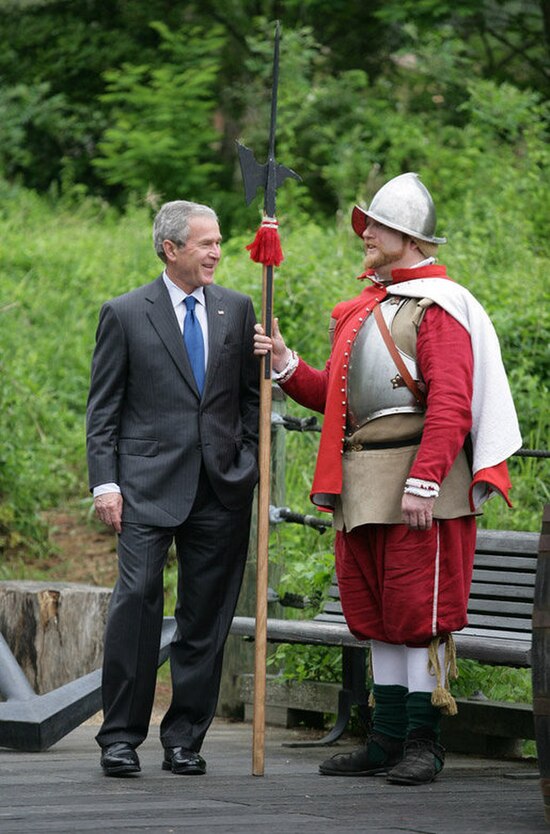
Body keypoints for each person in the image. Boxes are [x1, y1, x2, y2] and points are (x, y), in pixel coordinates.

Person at [254, 172, 521, 786]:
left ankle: (423, 743)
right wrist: (288, 366)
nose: (364, 236)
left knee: (416, 613)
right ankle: (387, 737)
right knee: (375, 613)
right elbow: (343, 401)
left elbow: (451, 403)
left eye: (373, 227)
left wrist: (426, 480)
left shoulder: (441, 308)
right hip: (365, 481)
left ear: (405, 235)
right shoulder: (366, 308)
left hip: (418, 483)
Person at [87, 199, 259, 777]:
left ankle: (185, 739)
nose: (217, 252)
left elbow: (250, 400)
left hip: (221, 488)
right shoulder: (126, 312)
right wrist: (105, 484)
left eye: (218, 243)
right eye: (206, 243)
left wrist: (250, 460)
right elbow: (103, 409)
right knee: (136, 604)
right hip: (143, 487)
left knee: (204, 619)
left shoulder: (237, 309)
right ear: (170, 248)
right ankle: (119, 738)